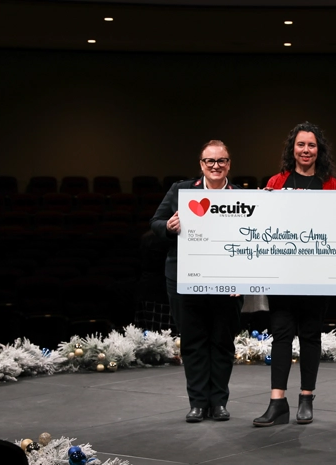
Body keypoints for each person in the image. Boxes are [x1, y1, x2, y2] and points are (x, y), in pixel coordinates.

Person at [253, 122, 336, 427]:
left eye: (312, 145)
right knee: (280, 335)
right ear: (292, 148)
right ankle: (277, 402)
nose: (306, 150)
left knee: (309, 335)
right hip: (283, 275)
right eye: (301, 144)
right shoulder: (276, 182)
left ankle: (307, 397)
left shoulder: (332, 185)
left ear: (320, 150)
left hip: (317, 275)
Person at [150, 140, 241, 423]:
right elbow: (155, 224)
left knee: (222, 342)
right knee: (193, 342)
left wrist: (244, 280)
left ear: (229, 164)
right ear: (201, 165)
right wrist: (168, 227)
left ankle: (219, 403)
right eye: (210, 161)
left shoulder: (242, 197)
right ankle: (198, 404)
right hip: (184, 278)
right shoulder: (181, 191)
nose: (216, 166)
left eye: (221, 161)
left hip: (227, 282)